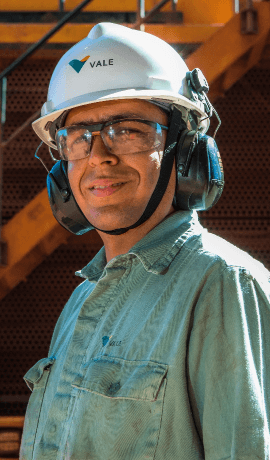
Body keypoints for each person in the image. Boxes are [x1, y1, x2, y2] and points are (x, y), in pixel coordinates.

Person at [20, 22, 270, 460]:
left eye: (129, 130)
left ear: (186, 151)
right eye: (78, 138)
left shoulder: (224, 285)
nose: (98, 155)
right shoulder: (81, 301)